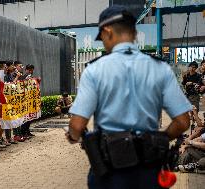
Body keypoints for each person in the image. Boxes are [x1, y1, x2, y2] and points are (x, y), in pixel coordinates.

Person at [66, 5, 191, 189]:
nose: (104, 44)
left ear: (107, 31)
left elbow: (77, 126)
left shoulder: (95, 70)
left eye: (102, 39)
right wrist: (157, 139)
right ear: (134, 32)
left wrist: (73, 135)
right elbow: (182, 122)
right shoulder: (160, 68)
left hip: (110, 173)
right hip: (149, 171)